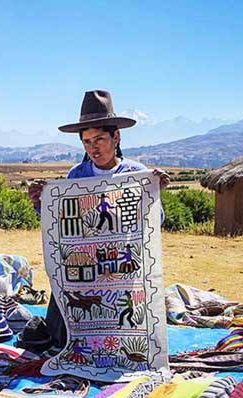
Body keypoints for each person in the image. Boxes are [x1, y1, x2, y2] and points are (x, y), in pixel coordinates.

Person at [29, 89, 170, 348]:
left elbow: (155, 223)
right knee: (65, 321)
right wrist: (41, 204)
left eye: (100, 139)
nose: (93, 148)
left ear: (116, 137)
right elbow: (62, 222)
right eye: (87, 141)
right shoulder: (77, 176)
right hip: (84, 265)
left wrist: (154, 193)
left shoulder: (136, 174)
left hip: (123, 268)